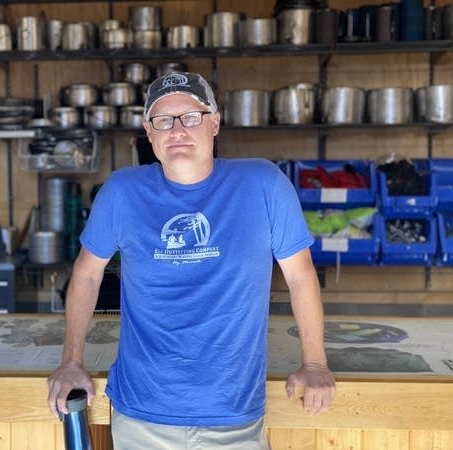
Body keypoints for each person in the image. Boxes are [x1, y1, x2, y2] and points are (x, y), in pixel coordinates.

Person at [47, 71, 336, 449]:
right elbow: (86, 275)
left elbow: (300, 276)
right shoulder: (122, 190)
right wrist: (71, 361)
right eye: (163, 120)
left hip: (234, 414)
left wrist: (315, 363)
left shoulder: (263, 183)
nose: (177, 130)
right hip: (142, 415)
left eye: (191, 116)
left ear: (214, 123)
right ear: (149, 133)